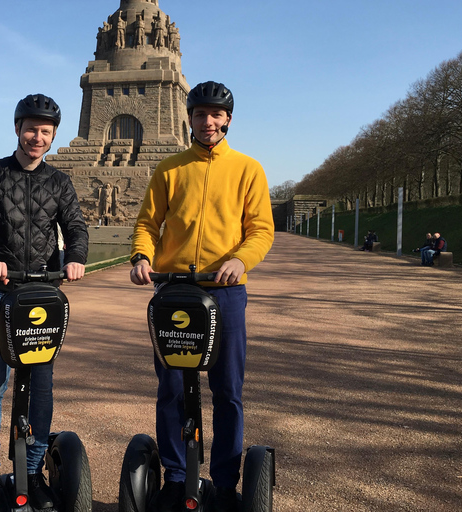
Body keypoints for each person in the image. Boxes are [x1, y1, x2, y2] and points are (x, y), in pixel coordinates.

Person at [129, 81, 274, 512]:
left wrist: (242, 260)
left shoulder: (248, 169)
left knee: (227, 389)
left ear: (227, 119)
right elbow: (147, 224)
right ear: (188, 118)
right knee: (171, 387)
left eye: (216, 115)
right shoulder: (170, 168)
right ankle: (176, 476)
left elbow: (261, 231)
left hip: (225, 290)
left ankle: (226, 483)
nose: (208, 122)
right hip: (173, 290)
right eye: (200, 114)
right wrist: (141, 256)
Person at [0, 93, 89, 512]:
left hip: (43, 295)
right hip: (2, 292)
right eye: (31, 128)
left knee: (41, 385)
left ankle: (32, 472)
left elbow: (75, 225)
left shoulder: (59, 182)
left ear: (53, 136)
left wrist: (75, 258)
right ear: (17, 129)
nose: (37, 137)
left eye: (45, 131)